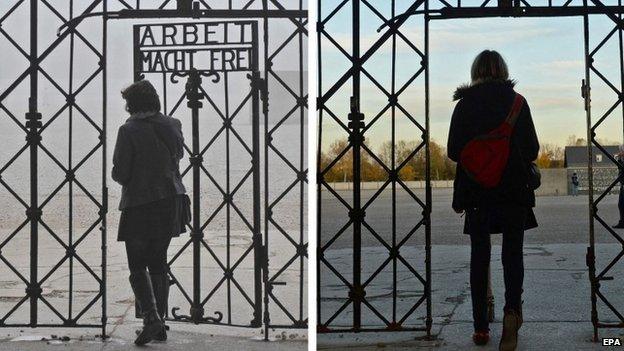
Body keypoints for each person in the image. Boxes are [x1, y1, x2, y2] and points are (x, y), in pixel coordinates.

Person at [447, 50, 539, 351]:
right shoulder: (517, 103)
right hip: (512, 190)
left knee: (480, 255)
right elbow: (533, 147)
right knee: (513, 254)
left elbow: (453, 150)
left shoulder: (464, 105)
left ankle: (481, 327)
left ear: (475, 72)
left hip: (477, 192)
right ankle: (512, 313)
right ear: (503, 70)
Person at [112, 80, 188, 345]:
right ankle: (160, 323)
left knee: (137, 263)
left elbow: (121, 173)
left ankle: (152, 319)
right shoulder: (173, 124)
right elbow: (177, 157)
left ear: (132, 104)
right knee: (158, 260)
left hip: (140, 202)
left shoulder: (128, 130)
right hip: (171, 199)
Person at [614, 145, 624, 229]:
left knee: (621, 204)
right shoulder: (621, 160)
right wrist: (620, 158)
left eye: (621, 150)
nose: (619, 152)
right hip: (622, 184)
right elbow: (619, 167)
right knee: (620, 204)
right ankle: (622, 221)